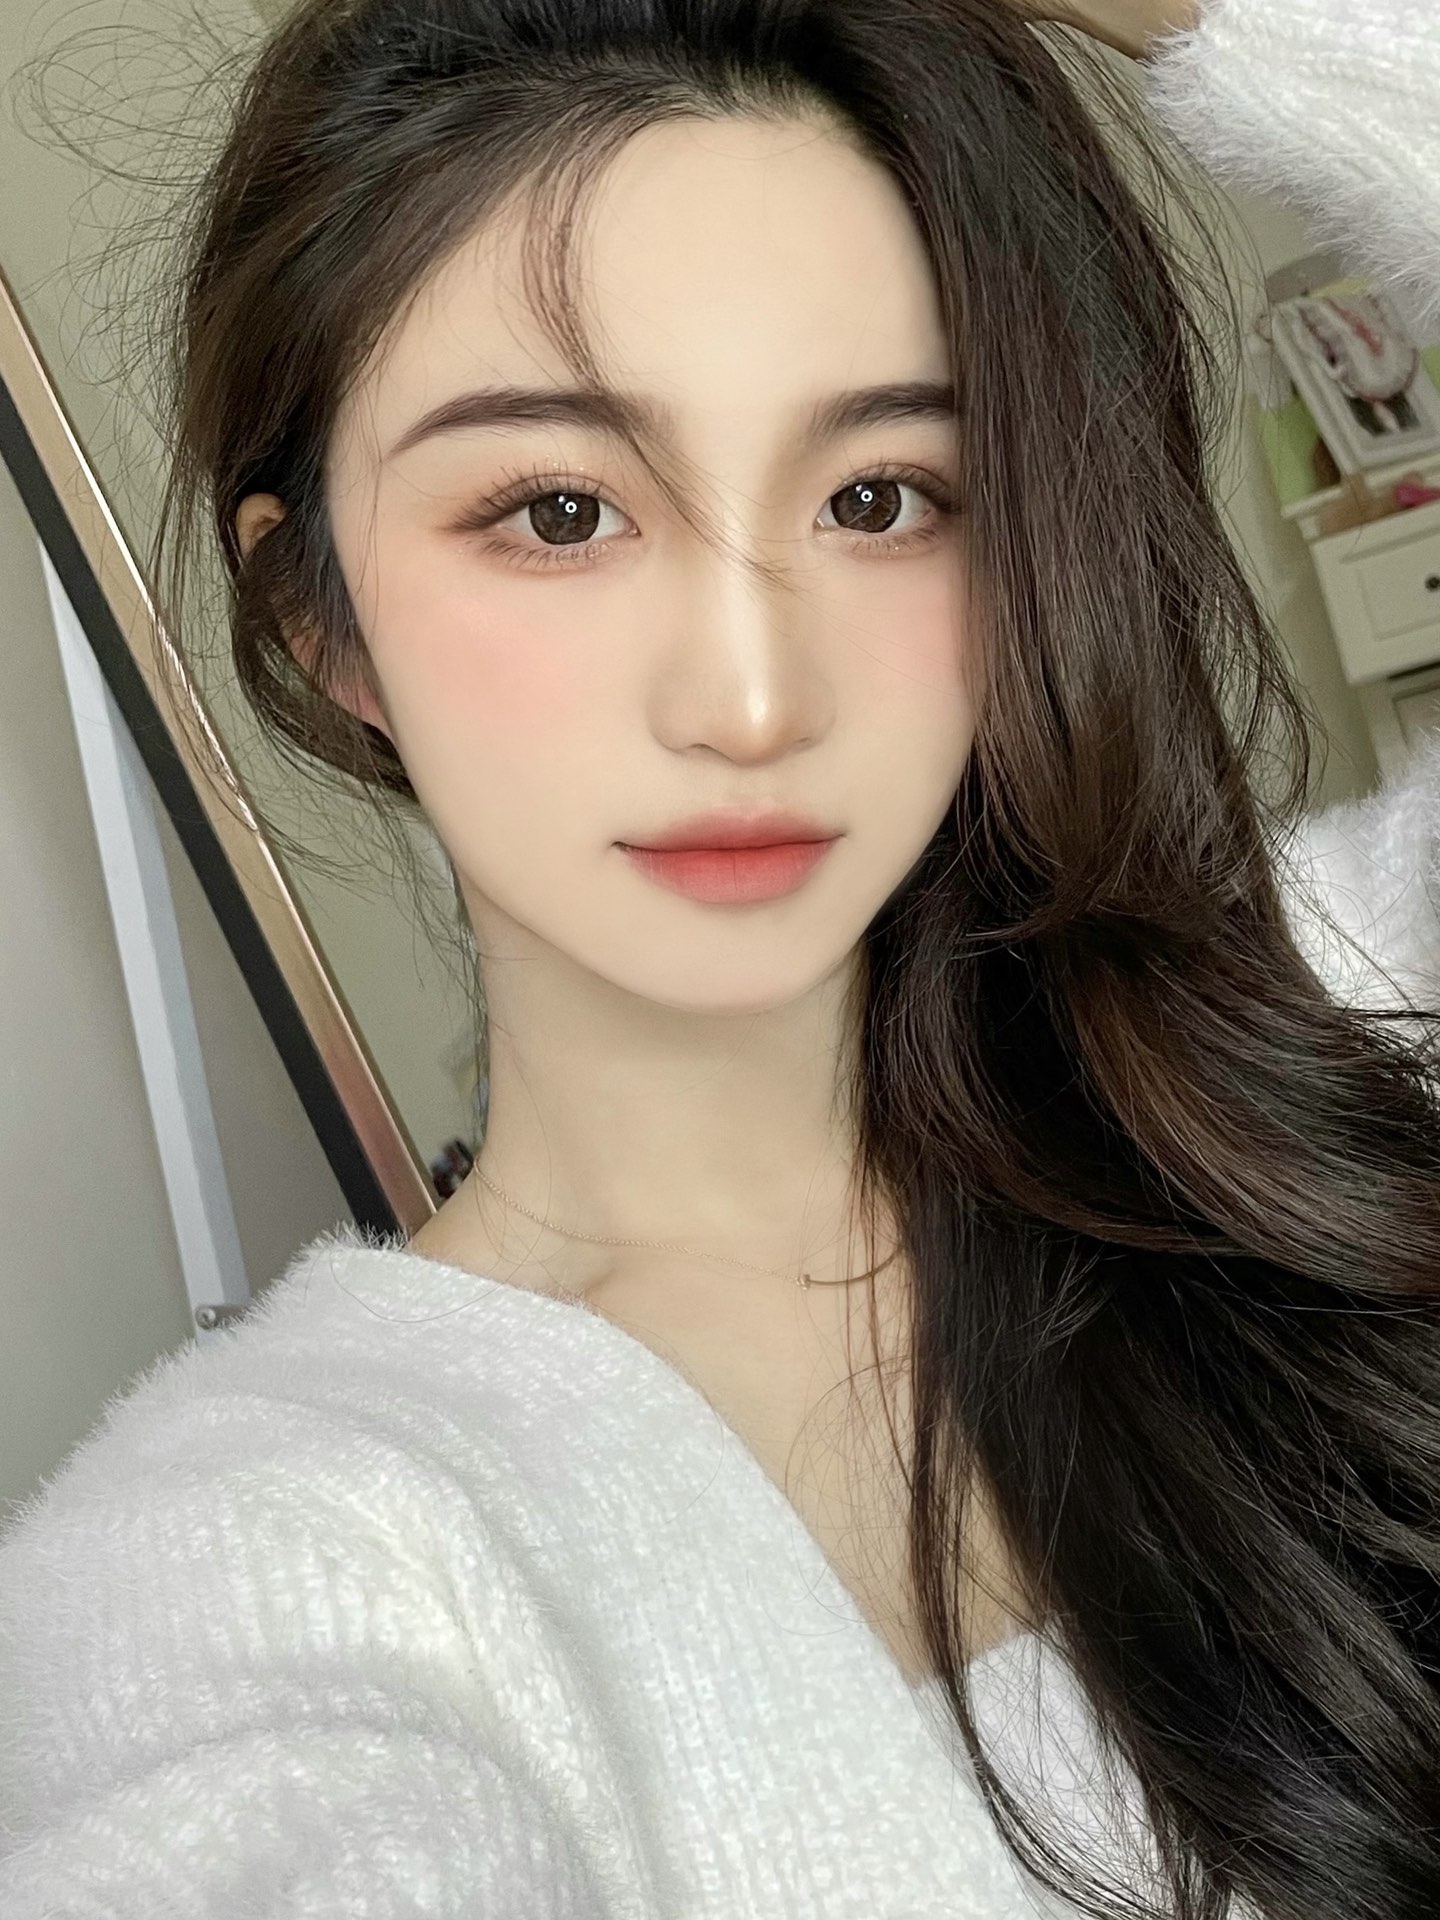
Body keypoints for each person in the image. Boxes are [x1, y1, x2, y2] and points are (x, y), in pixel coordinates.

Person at [2, 0, 1438, 1914]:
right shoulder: (247, 1559)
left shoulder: (1327, 1031)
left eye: (878, 499)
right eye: (561, 513)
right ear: (319, 621)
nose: (753, 702)